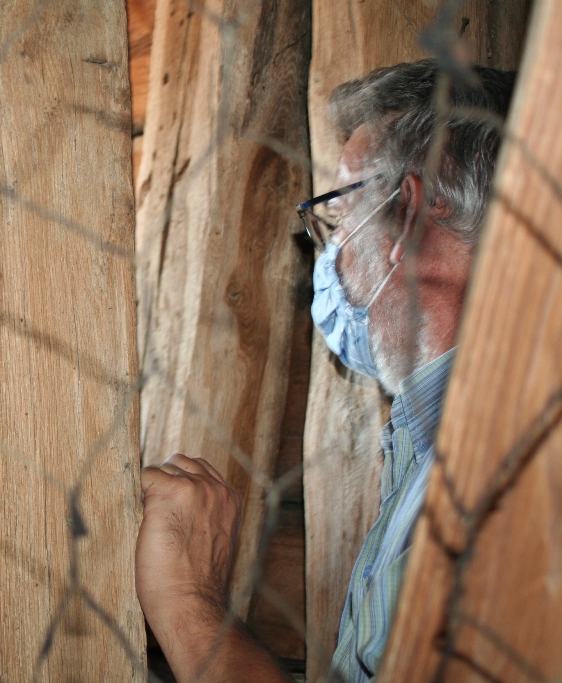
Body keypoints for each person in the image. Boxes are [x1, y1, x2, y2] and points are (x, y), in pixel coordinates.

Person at [136, 59, 516, 682]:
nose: (330, 253)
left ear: (414, 217)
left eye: (337, 214)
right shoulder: (435, 447)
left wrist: (188, 600)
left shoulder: (496, 479)